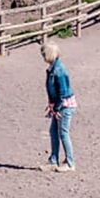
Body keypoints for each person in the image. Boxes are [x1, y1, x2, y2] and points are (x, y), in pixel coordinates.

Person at [40, 41, 77, 172]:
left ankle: (70, 162)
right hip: (59, 104)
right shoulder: (53, 68)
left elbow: (62, 92)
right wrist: (51, 104)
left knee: (63, 133)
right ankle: (53, 160)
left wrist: (56, 108)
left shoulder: (59, 70)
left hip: (64, 106)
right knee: (54, 132)